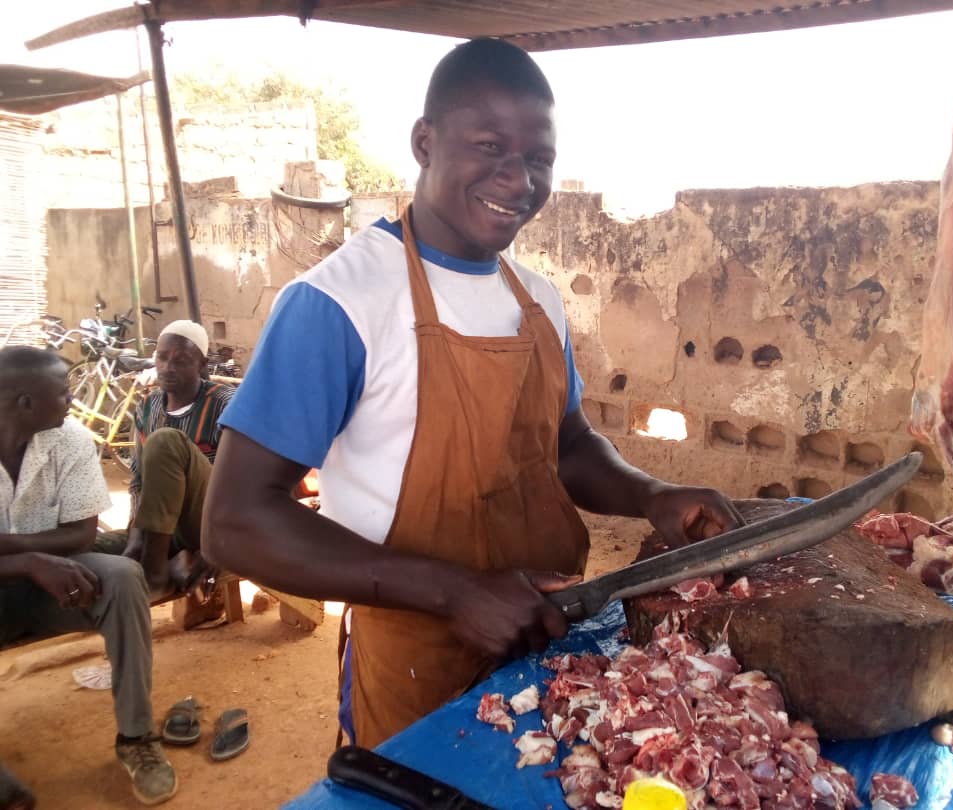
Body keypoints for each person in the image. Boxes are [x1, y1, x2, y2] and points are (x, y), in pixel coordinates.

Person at [203, 38, 742, 749]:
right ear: (425, 142)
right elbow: (235, 519)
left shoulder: (539, 299)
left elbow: (569, 444)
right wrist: (455, 592)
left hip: (549, 639)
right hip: (415, 670)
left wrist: (649, 493)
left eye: (538, 159)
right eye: (490, 147)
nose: (518, 179)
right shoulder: (339, 302)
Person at [0, 346, 177, 806]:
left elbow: (79, 536)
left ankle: (136, 738)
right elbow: (57, 544)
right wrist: (30, 561)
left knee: (120, 574)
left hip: (60, 587)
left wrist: (15, 552)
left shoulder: (71, 439)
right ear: (25, 404)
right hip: (28, 580)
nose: (72, 402)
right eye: (62, 394)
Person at [116, 320, 234, 602]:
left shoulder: (225, 404)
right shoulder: (148, 406)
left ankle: (155, 573)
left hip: (210, 522)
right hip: (164, 528)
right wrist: (134, 541)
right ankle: (169, 559)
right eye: (162, 357)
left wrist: (217, 547)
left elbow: (241, 482)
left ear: (201, 364)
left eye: (182, 360)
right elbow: (137, 480)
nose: (168, 367)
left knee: (166, 442)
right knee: (94, 547)